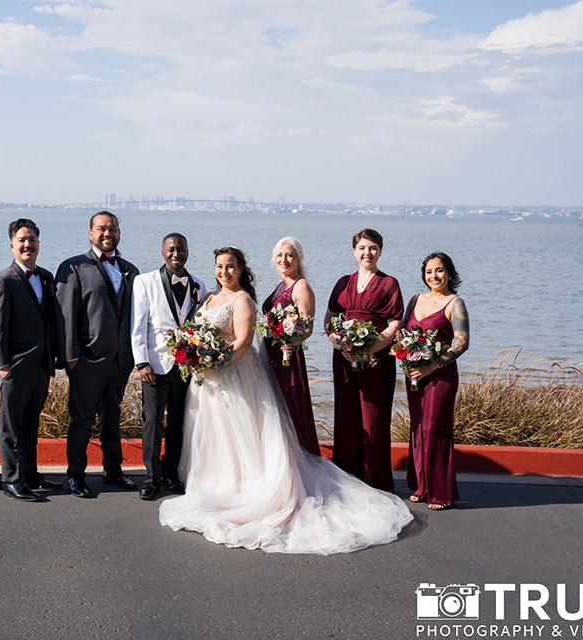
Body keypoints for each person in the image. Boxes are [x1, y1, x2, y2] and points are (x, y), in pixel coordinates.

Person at [158, 247, 413, 554]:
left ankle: (242, 489)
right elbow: (199, 331)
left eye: (230, 266)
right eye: (220, 266)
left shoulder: (244, 299)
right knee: (214, 434)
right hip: (209, 380)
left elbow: (243, 342)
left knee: (239, 433)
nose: (224, 271)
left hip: (232, 372)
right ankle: (214, 485)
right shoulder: (209, 298)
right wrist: (195, 352)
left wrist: (215, 361)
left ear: (241, 269)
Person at [54, 211, 139, 498]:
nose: (107, 233)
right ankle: (76, 474)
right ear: (90, 233)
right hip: (86, 359)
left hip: (120, 360)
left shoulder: (131, 270)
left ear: (118, 232)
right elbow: (64, 315)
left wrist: (133, 356)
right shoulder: (73, 267)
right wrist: (70, 358)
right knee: (81, 420)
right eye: (101, 229)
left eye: (112, 228)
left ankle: (112, 470)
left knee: (112, 416)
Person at [0, 219, 62, 502]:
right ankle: (11, 478)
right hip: (15, 368)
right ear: (12, 246)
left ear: (39, 244)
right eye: (22, 240)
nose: (27, 244)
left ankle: (30, 473)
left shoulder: (46, 277)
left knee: (31, 426)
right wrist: (2, 366)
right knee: (10, 428)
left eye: (32, 239)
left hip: (42, 366)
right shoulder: (2, 280)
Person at [323, 229, 404, 493]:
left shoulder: (389, 283)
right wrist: (341, 344)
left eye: (372, 248)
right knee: (346, 417)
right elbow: (329, 320)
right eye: (362, 248)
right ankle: (347, 479)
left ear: (380, 251)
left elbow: (395, 325)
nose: (367, 253)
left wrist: (369, 350)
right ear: (354, 251)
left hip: (375, 361)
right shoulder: (343, 282)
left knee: (373, 418)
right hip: (344, 357)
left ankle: (375, 481)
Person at [131, 233, 207, 500]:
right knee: (152, 423)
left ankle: (170, 473)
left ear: (188, 252)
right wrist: (141, 362)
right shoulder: (144, 282)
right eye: (171, 250)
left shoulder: (199, 284)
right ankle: (151, 479)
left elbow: (201, 327)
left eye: (181, 250)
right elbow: (138, 326)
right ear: (163, 252)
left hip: (186, 367)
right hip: (155, 366)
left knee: (178, 423)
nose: (177, 254)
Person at [402, 252, 469, 510]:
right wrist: (406, 361)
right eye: (429, 272)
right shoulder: (415, 300)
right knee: (418, 428)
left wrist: (431, 366)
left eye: (439, 271)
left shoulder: (455, 304)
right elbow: (404, 335)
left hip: (441, 374)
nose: (434, 276)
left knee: (434, 429)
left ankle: (441, 492)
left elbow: (462, 343)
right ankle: (422, 485)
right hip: (415, 375)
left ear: (450, 273)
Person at [262, 236, 321, 456]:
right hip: (269, 353)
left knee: (289, 405)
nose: (284, 259)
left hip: (287, 355)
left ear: (299, 258)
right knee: (274, 405)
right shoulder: (280, 284)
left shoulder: (301, 286)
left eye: (289, 255)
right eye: (280, 255)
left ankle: (298, 456)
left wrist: (291, 342)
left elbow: (307, 328)